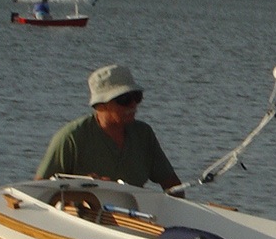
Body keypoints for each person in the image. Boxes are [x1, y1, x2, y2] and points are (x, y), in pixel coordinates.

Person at [36, 63, 182, 192]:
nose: (133, 104)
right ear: (100, 105)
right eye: (124, 99)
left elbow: (173, 186)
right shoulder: (71, 138)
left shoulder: (144, 135)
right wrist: (81, 185)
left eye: (137, 97)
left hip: (134, 217)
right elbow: (39, 189)